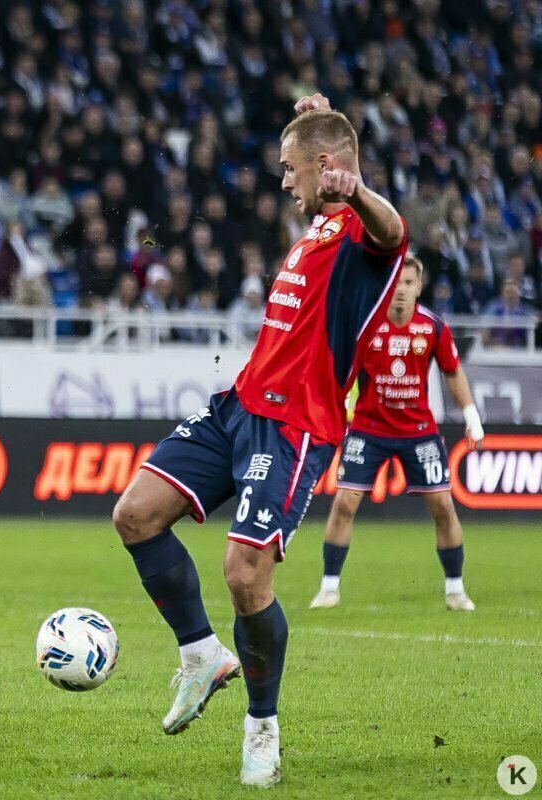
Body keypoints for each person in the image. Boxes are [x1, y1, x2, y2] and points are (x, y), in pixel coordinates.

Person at [110, 93, 407, 788]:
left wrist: (356, 188)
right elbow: (331, 150)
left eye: (289, 167)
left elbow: (394, 232)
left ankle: (262, 728)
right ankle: (200, 654)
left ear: (326, 167)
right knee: (134, 514)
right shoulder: (320, 227)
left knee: (245, 576)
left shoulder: (362, 237)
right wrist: (319, 120)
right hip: (238, 407)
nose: (284, 180)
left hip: (295, 425)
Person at [311, 255, 483, 611]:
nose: (401, 290)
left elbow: (452, 371)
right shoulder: (365, 325)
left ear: (419, 287)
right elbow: (338, 369)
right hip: (367, 429)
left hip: (418, 431)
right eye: (396, 282)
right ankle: (328, 588)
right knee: (344, 503)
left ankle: (455, 590)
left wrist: (471, 415)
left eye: (408, 283)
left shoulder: (432, 327)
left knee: (443, 505)